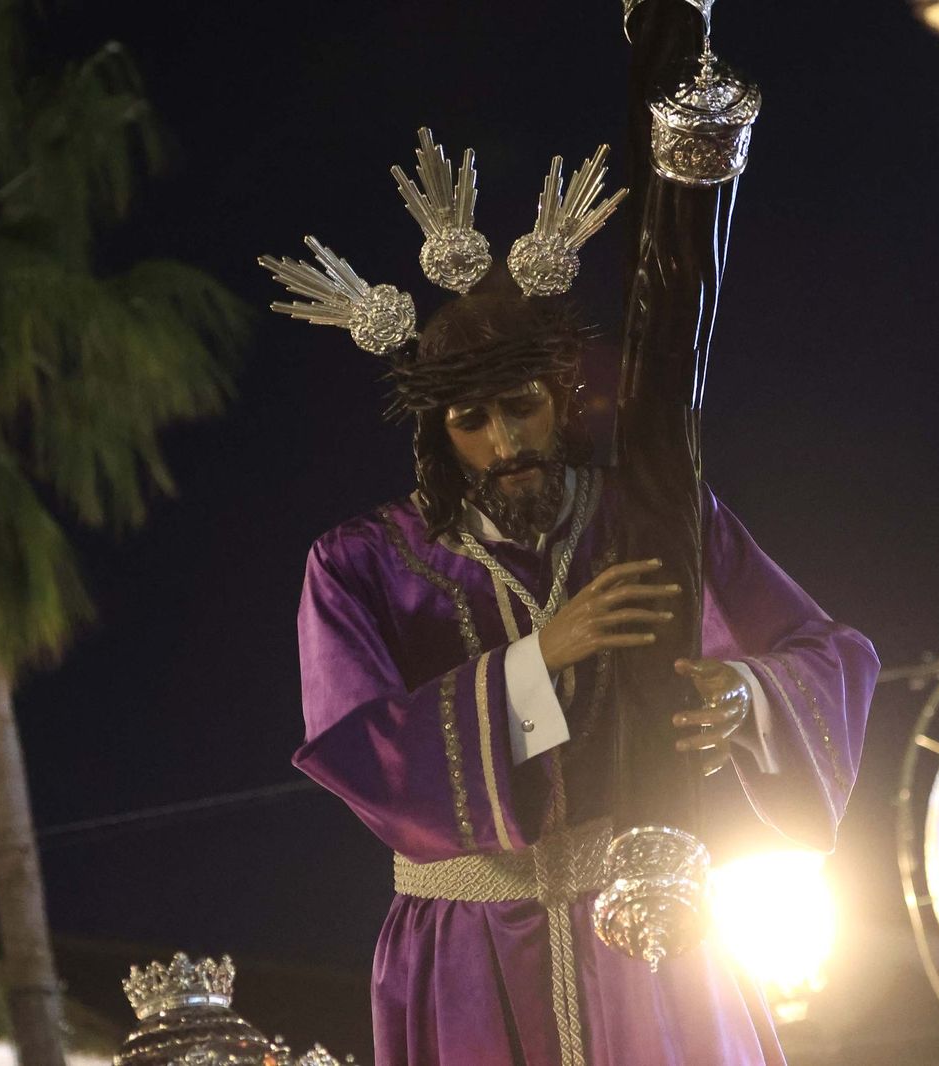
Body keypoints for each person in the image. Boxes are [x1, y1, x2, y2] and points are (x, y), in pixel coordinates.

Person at [265, 6, 878, 1063]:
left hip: (656, 916)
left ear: (561, 397)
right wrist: (540, 659)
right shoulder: (357, 565)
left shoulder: (653, 518)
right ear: (438, 435)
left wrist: (747, 697)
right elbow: (361, 758)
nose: (507, 442)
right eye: (473, 422)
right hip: (466, 943)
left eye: (524, 409)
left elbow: (830, 655)